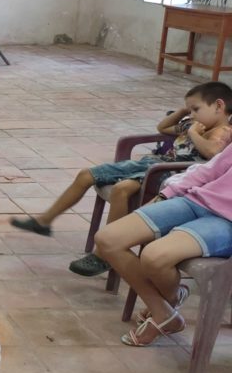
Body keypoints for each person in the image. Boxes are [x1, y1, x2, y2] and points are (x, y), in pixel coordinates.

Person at [10, 81, 232, 277]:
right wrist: (185, 111)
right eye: (190, 109)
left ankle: (103, 255)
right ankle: (44, 221)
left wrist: (193, 133)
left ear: (219, 107)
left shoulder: (221, 131)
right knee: (87, 174)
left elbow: (214, 154)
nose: (191, 114)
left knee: (122, 189)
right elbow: (162, 127)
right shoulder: (192, 123)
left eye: (196, 109)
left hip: (170, 172)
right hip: (153, 163)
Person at [95, 141, 232, 345]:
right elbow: (209, 170)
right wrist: (165, 195)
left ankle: (164, 312)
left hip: (225, 221)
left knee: (154, 257)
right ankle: (166, 309)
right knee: (107, 239)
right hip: (195, 199)